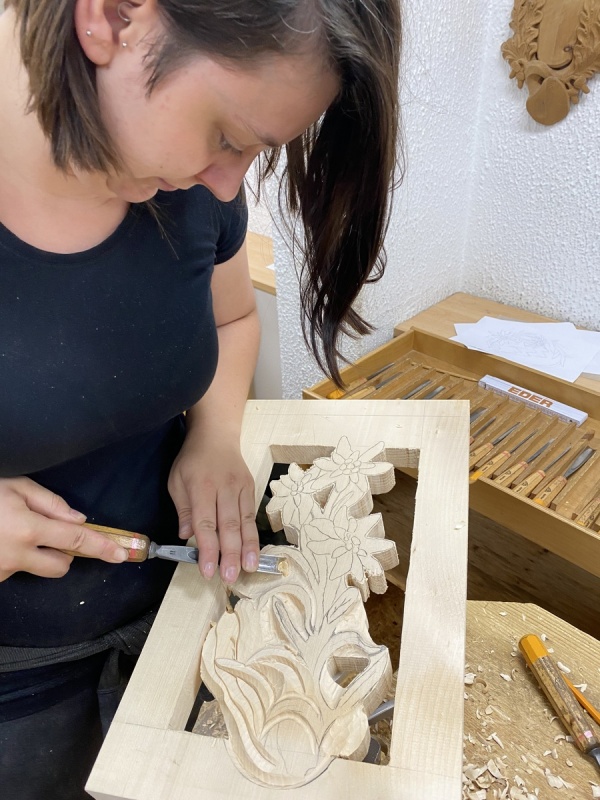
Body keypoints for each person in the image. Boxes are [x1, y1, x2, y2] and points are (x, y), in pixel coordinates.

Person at [0, 0, 401, 797]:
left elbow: (231, 317)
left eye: (256, 152)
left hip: (181, 619)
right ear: (115, 17)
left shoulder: (191, 188)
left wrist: (214, 434)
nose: (228, 184)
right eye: (227, 135)